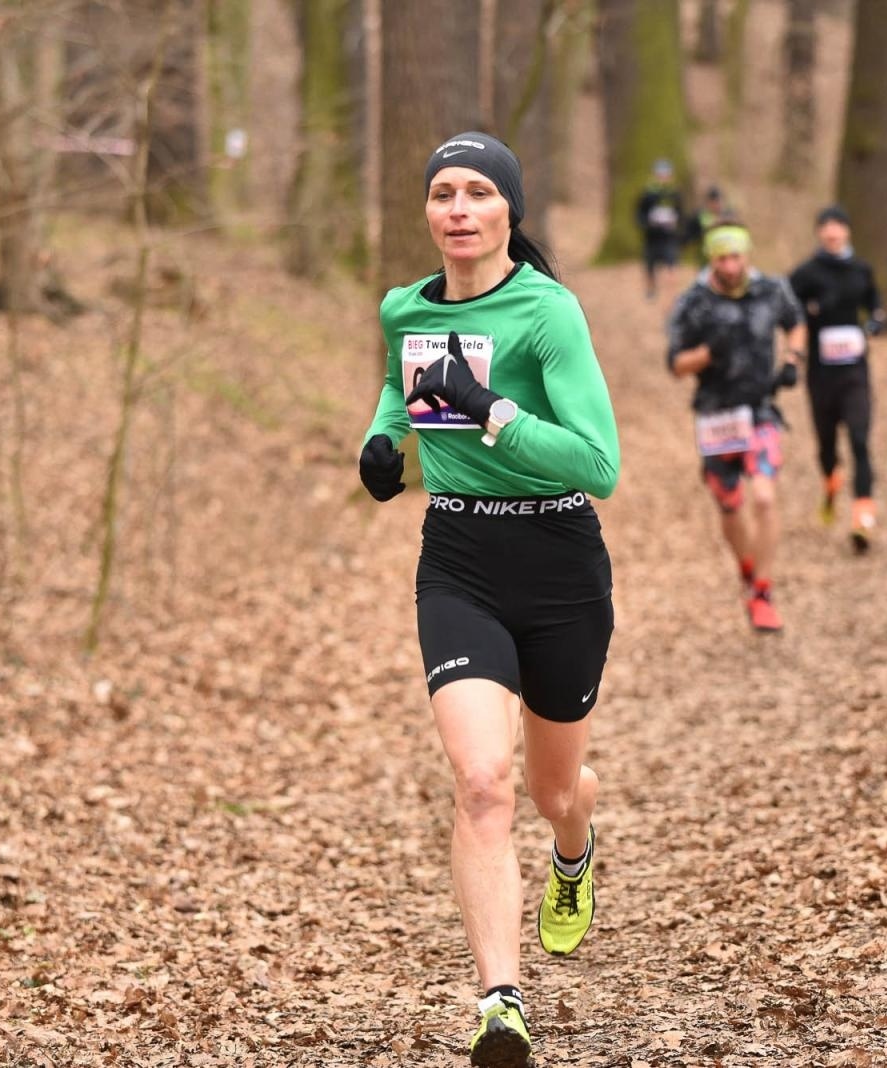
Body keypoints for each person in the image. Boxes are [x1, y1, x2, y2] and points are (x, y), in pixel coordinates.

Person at [357, 131, 620, 1068]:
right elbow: (401, 391)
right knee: (482, 783)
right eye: (442, 193)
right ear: (426, 212)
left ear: (509, 209)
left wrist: (489, 409)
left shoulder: (547, 313)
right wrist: (382, 448)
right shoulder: (404, 309)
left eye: (477, 192)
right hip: (459, 558)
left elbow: (600, 464)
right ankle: (500, 1004)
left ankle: (578, 845)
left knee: (554, 789)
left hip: (558, 564)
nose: (458, 209)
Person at [666, 224, 804, 633]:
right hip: (716, 417)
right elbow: (675, 365)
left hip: (760, 410)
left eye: (737, 256)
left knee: (763, 497)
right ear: (711, 259)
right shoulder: (694, 302)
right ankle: (747, 567)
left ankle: (762, 591)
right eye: (722, 258)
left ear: (748, 255)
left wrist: (794, 359)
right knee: (730, 505)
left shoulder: (771, 290)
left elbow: (795, 322)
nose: (730, 265)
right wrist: (708, 354)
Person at [787, 205, 886, 553]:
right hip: (821, 375)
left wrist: (875, 323)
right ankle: (831, 481)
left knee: (860, 439)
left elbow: (877, 306)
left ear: (847, 232)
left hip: (856, 372)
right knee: (827, 445)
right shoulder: (806, 273)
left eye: (838, 227)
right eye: (826, 227)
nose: (832, 233)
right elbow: (787, 308)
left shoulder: (862, 269)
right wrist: (805, 318)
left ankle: (863, 519)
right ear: (819, 233)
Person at [636, 159, 684, 299]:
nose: (663, 177)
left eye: (666, 174)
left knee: (672, 264)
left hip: (669, 236)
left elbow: (680, 212)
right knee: (650, 266)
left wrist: (677, 224)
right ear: (656, 175)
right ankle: (651, 290)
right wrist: (647, 223)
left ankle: (673, 292)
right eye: (660, 174)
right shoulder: (648, 193)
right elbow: (639, 213)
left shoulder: (675, 193)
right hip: (652, 237)